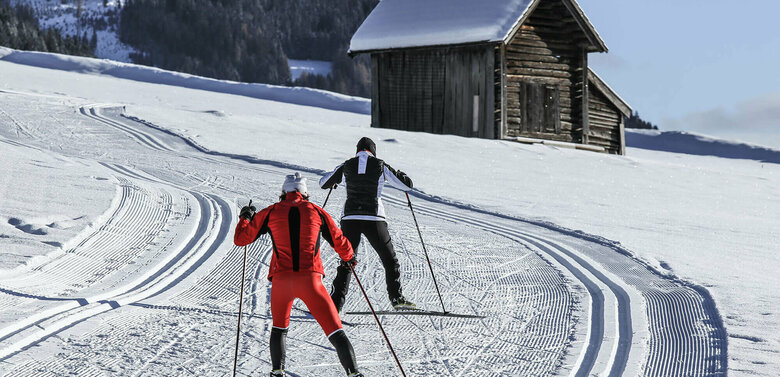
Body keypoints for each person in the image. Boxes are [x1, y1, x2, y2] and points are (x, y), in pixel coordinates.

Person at [234, 172, 363, 377]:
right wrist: (349, 258)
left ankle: (277, 372)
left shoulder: (270, 212)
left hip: (282, 282)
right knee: (336, 331)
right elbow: (340, 241)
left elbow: (241, 239)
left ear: (284, 192)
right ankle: (354, 374)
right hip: (311, 281)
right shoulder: (317, 212)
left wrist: (245, 217)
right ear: (305, 193)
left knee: (279, 328)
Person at [320, 137, 416, 312]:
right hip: (375, 218)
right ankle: (397, 299)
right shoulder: (380, 164)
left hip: (350, 219)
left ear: (357, 151)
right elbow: (406, 186)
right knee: (389, 260)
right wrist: (402, 174)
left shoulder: (346, 165)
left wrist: (335, 180)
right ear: (374, 151)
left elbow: (323, 183)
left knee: (347, 260)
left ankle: (334, 304)